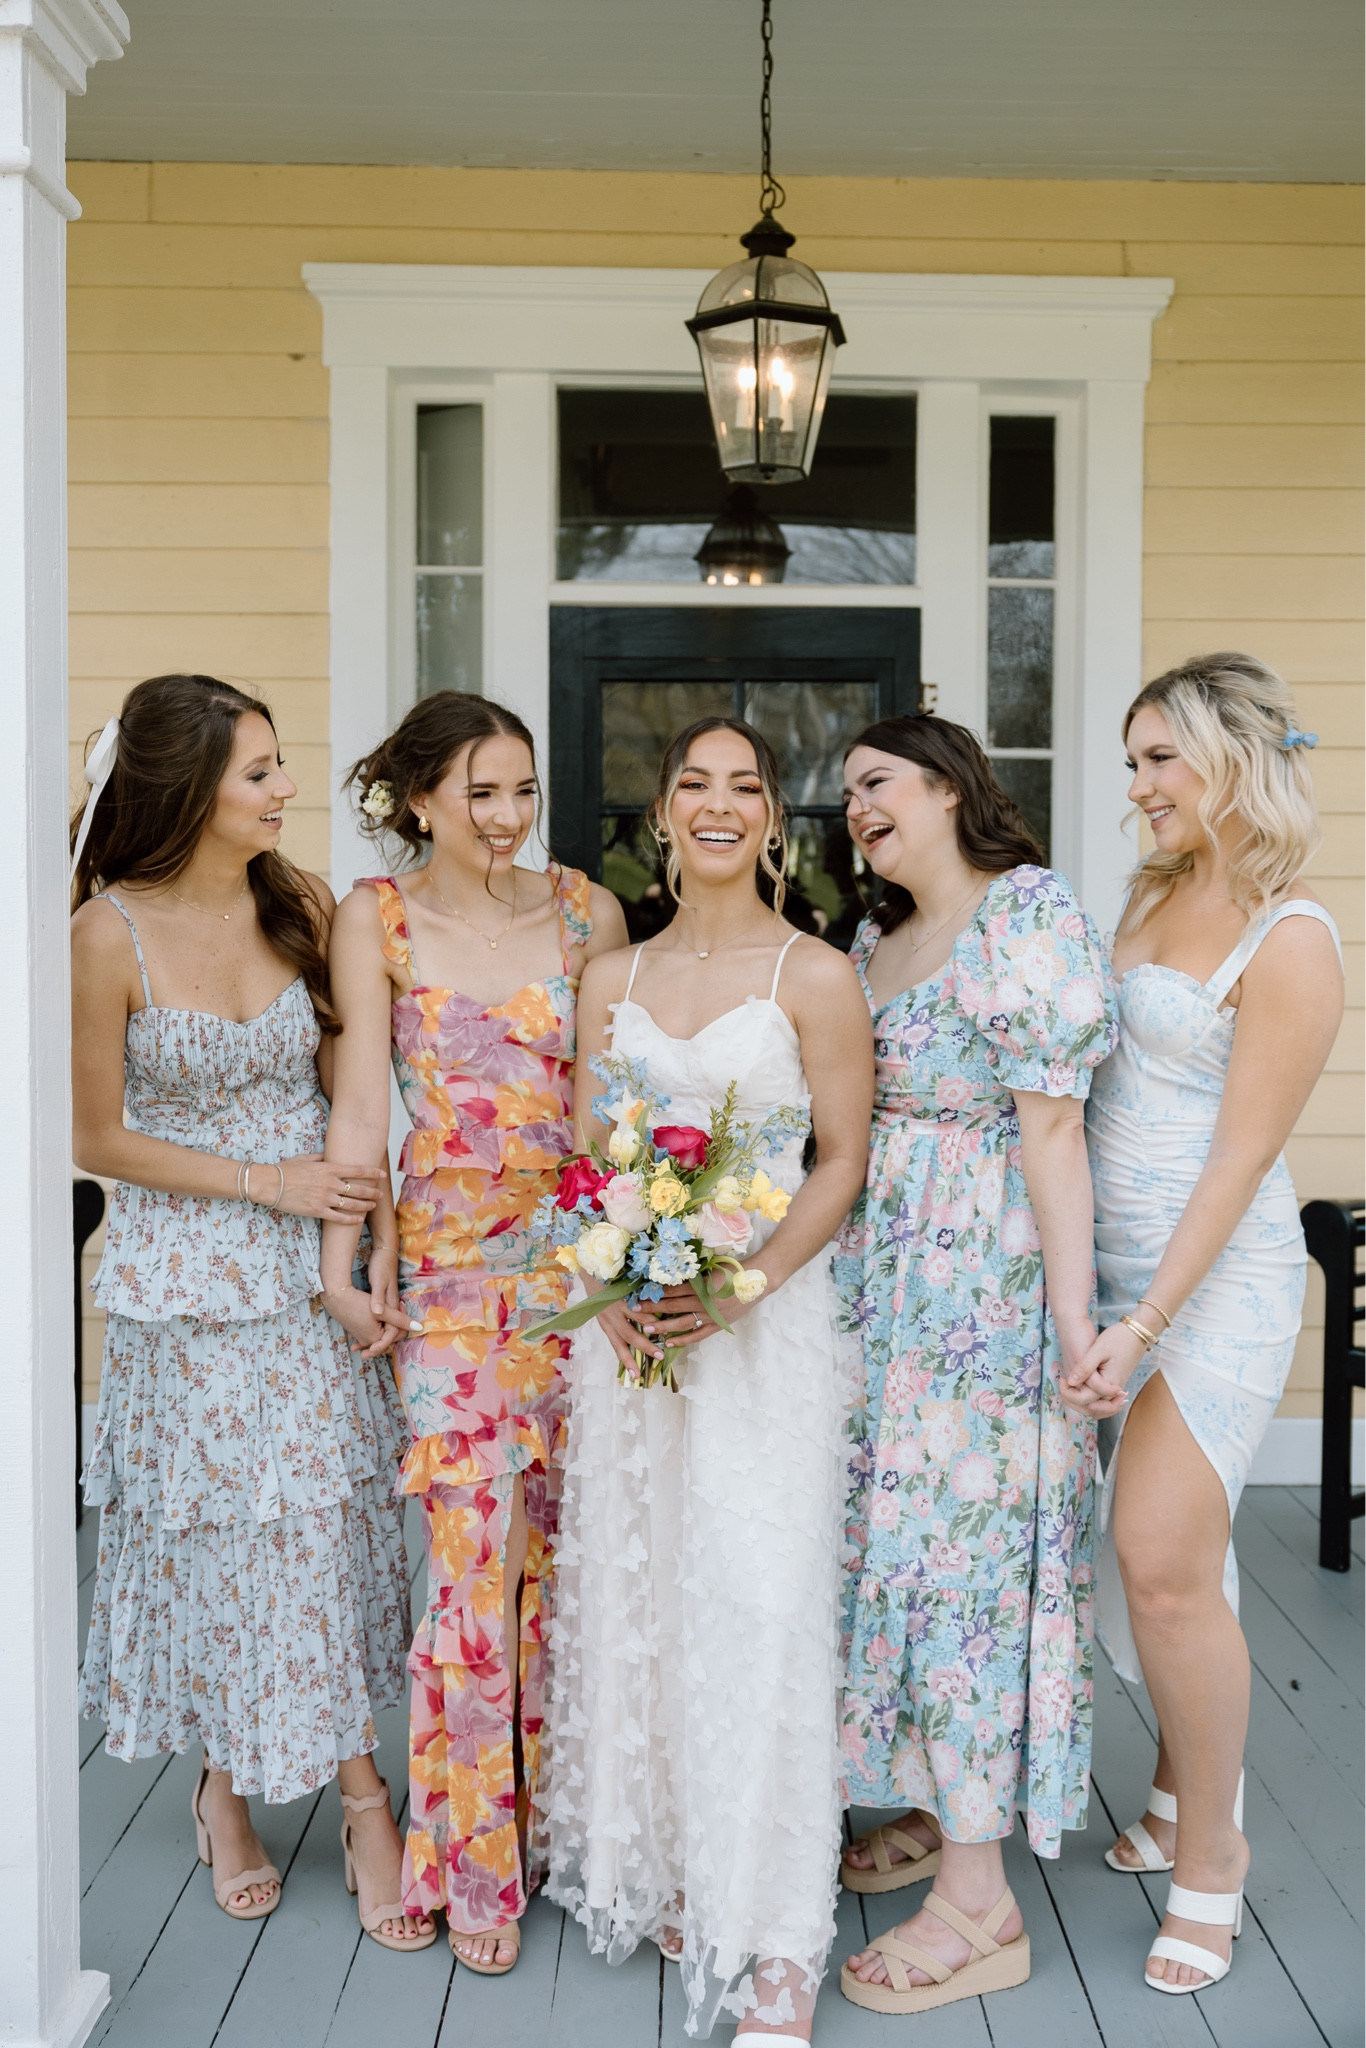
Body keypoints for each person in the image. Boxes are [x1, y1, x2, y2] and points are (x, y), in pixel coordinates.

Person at [72, 673, 428, 1947]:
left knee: (321, 1534)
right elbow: (94, 1132)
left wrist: (362, 1225)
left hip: (308, 1273)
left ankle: (353, 1791)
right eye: (262, 770)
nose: (286, 789)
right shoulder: (106, 932)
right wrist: (256, 1180)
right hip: (184, 1276)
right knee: (224, 1541)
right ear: (188, 788)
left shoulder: (302, 907)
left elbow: (354, 1079)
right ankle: (238, 1784)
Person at [543, 717, 874, 2044]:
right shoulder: (604, 975)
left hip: (763, 1330)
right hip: (628, 1341)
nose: (719, 805)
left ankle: (779, 1934)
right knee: (646, 1592)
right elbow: (584, 1159)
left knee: (760, 1596)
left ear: (774, 825)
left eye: (747, 786)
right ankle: (680, 1860)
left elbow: (839, 1162)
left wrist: (736, 1287)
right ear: (660, 817)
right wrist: (610, 1290)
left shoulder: (816, 975)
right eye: (695, 784)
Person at [321, 691, 626, 1973]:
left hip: (574, 1287)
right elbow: (356, 1114)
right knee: (473, 1567)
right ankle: (471, 1866)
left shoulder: (585, 912)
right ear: (420, 801)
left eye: (522, 791)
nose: (507, 818)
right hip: (446, 1287)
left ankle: (566, 1831)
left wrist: (631, 1277)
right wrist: (347, 1264)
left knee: (569, 1562)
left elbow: (610, 1119)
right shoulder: (373, 917)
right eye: (480, 794)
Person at [1064, 653, 1343, 1996]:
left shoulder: (1288, 937)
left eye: (1157, 759)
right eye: (1130, 763)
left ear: (1231, 757)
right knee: (1159, 1561)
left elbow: (1237, 1166)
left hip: (1214, 1282)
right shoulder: (1150, 894)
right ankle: (1176, 1790)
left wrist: (1148, 1319)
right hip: (1107, 1270)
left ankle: (1213, 1856)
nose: (1138, 788)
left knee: (1160, 1552)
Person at [836, 714, 1116, 2018]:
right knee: (890, 1548)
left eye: (875, 782)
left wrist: (1070, 1325)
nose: (852, 806)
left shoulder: (1023, 912)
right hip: (878, 1291)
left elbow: (1051, 1128)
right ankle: (924, 1805)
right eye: (842, 794)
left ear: (948, 790)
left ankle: (977, 1898)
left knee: (966, 1566)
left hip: (982, 1295)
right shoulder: (873, 942)